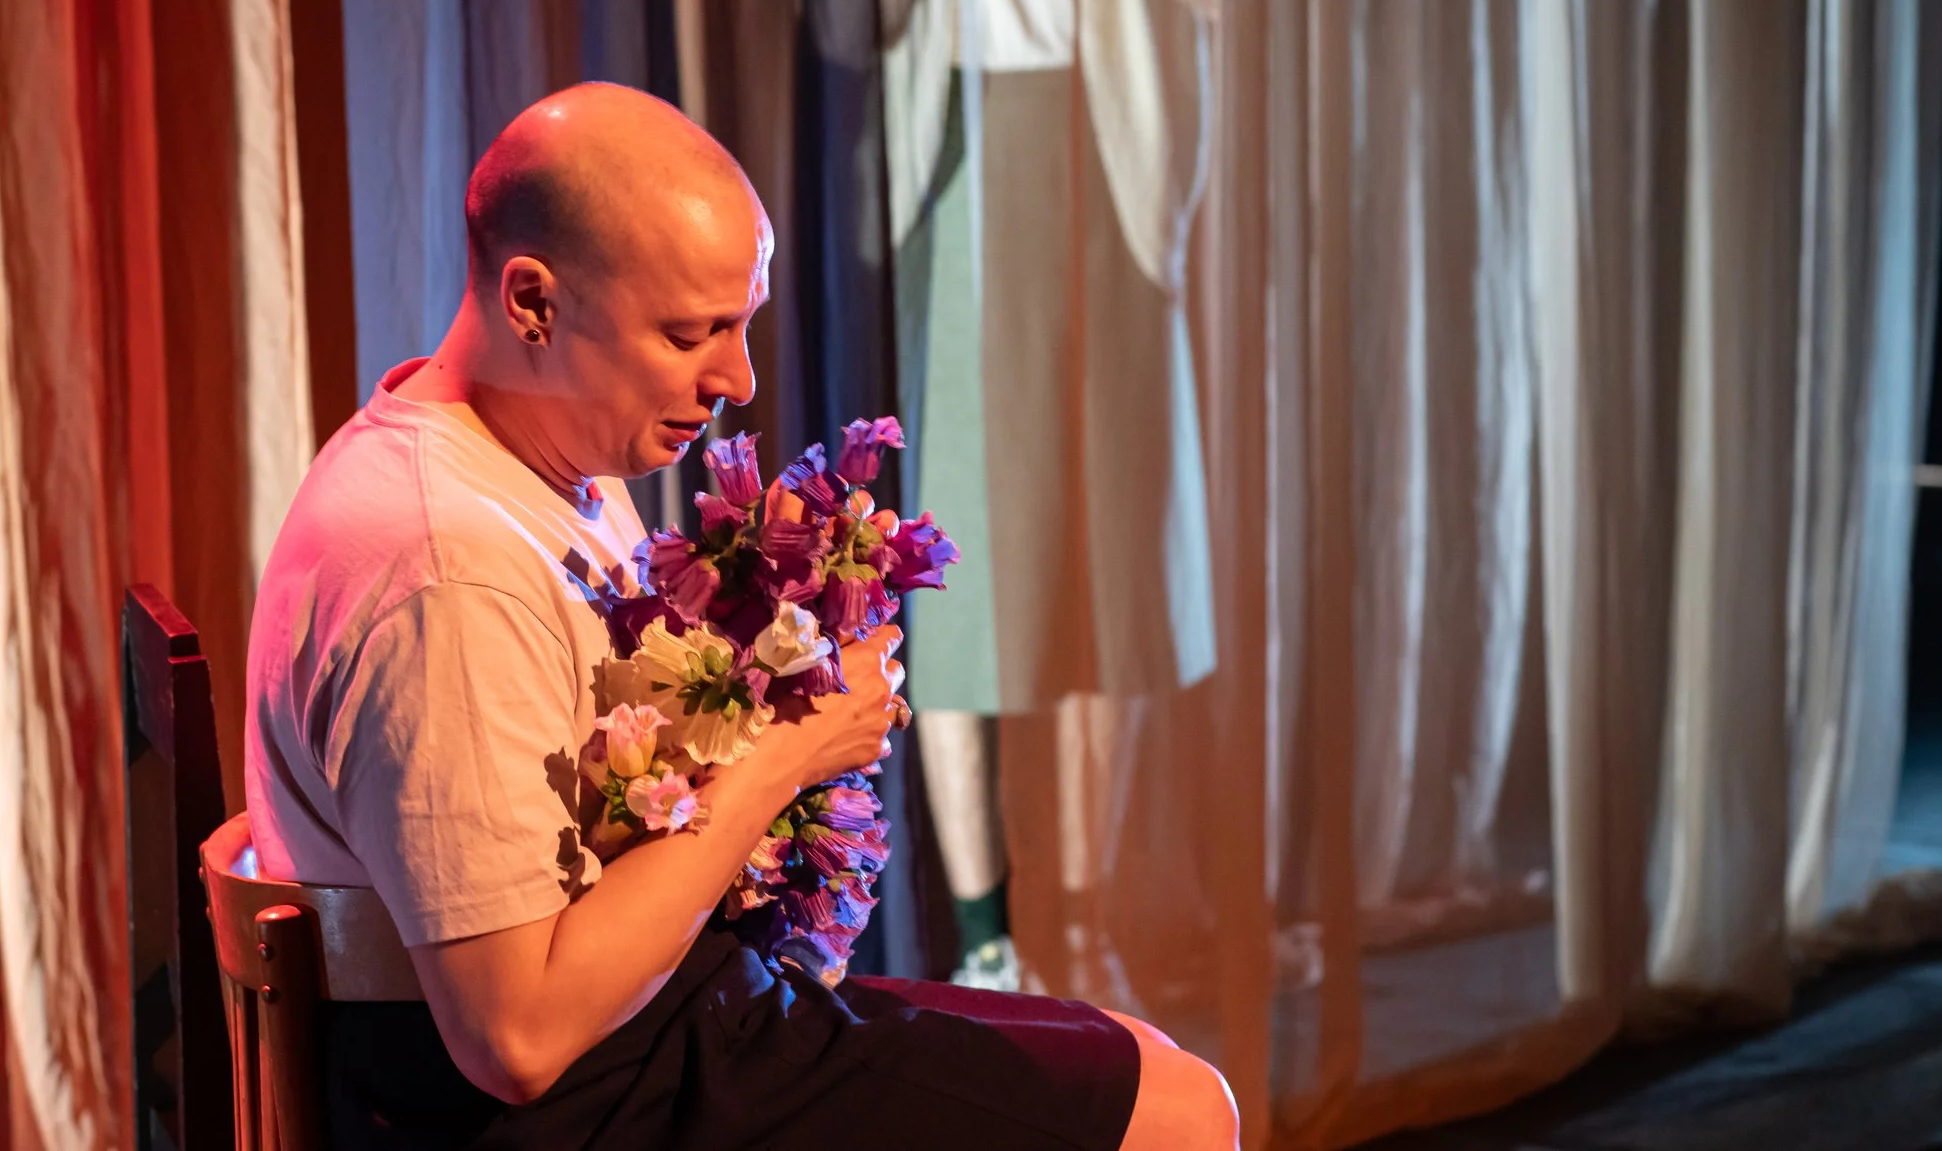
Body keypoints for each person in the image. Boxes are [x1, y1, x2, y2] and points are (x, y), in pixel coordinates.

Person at [245, 83, 1237, 1149]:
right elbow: (516, 1037)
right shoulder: (449, 568)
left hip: (654, 1022)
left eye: (743, 323)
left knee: (1147, 1060)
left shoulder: (524, 458)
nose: (737, 376)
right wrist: (782, 757)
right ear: (533, 300)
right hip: (567, 1100)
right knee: (1175, 1118)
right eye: (689, 333)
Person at [776, 0, 1221, 996]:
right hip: (945, 175)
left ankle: (1090, 916)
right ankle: (990, 939)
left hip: (1104, 161)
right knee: (955, 576)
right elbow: (848, 20)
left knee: (1104, 564)